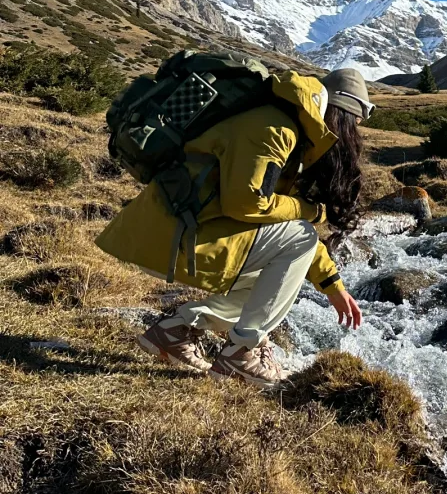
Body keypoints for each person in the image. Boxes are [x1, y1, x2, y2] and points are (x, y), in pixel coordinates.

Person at [96, 66, 372, 389]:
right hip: (173, 238)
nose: (353, 137)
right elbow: (247, 203)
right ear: (339, 116)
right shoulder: (277, 129)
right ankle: (243, 352)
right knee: (301, 238)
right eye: (353, 126)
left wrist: (331, 284)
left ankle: (177, 330)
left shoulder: (289, 128)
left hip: (176, 232)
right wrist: (310, 211)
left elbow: (280, 221)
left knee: (279, 267)